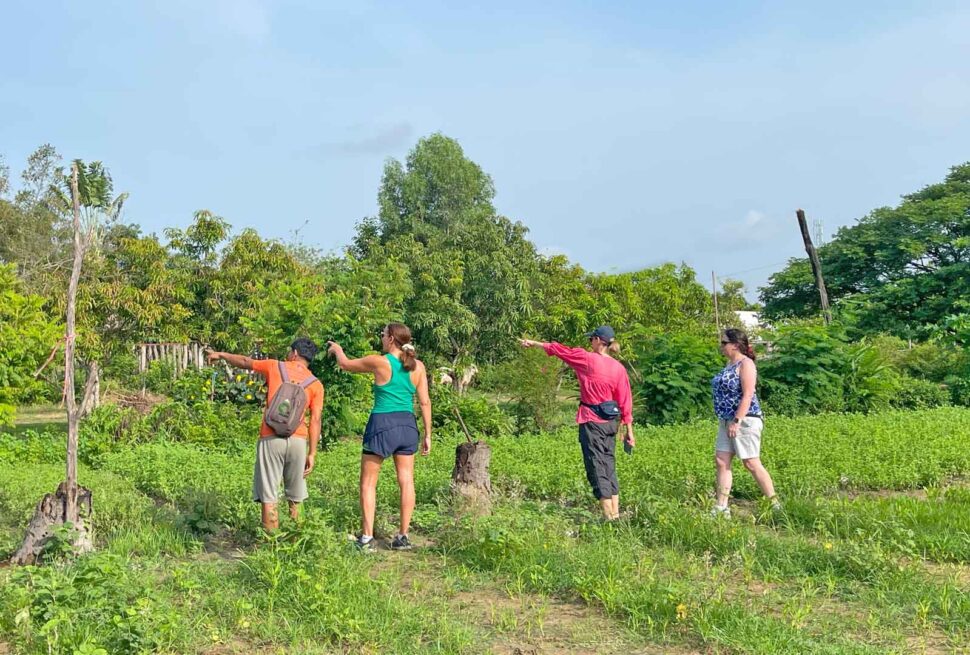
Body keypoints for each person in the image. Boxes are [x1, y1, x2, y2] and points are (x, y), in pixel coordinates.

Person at [328, 323, 432, 551]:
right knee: (406, 480)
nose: (381, 338)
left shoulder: (380, 361)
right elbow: (424, 402)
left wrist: (337, 350)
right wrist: (428, 434)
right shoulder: (419, 367)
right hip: (407, 426)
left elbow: (345, 365)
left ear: (392, 338)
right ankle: (403, 536)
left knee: (368, 483)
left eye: (383, 334)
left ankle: (366, 538)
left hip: (382, 423)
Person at [207, 338, 324, 531]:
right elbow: (316, 420)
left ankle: (271, 546)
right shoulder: (316, 385)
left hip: (270, 438)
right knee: (296, 497)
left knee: (269, 496)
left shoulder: (275, 366)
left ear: (294, 353)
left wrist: (222, 355)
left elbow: (245, 362)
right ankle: (298, 542)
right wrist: (312, 453)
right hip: (298, 441)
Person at [520, 326, 634, 520]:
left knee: (596, 467)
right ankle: (615, 514)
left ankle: (610, 519)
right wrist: (629, 429)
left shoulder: (587, 359)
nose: (589, 343)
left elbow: (560, 350)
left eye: (591, 339)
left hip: (592, 422)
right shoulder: (619, 368)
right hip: (611, 423)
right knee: (608, 464)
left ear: (598, 340)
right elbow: (625, 400)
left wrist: (535, 343)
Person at [711, 328, 779, 517]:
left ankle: (774, 503)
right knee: (721, 461)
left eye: (724, 343)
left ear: (735, 345)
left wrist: (737, 420)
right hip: (726, 420)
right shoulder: (729, 364)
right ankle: (721, 507)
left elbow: (748, 394)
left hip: (744, 419)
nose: (721, 346)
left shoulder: (746, 364)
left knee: (750, 462)